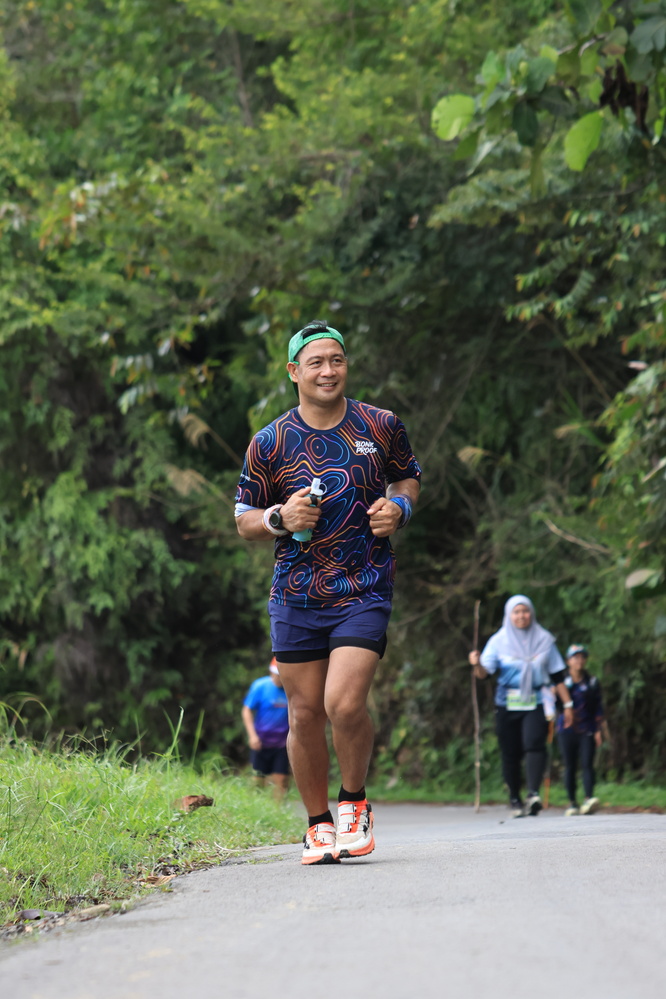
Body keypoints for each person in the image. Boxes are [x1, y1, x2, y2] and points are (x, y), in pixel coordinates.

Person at [235, 320, 421, 864]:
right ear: (294, 372)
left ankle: (353, 802)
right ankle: (318, 824)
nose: (327, 371)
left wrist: (399, 508)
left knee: (343, 703)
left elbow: (407, 477)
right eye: (315, 362)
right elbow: (244, 518)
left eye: (336, 360)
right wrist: (279, 517)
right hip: (295, 595)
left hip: (364, 586)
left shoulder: (381, 424)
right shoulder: (269, 441)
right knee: (304, 714)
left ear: (346, 366)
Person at [468, 594, 573, 817]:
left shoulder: (544, 640)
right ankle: (515, 798)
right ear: (509, 615)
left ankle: (533, 794)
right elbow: (484, 674)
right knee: (510, 751)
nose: (521, 616)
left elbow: (558, 676)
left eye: (525, 611)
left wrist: (568, 705)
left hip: (536, 701)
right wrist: (476, 664)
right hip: (506, 703)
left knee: (534, 744)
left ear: (531, 613)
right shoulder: (498, 641)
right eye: (516, 612)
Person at [556, 644, 604, 816]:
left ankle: (588, 798)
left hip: (587, 729)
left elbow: (598, 707)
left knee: (587, 764)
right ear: (568, 661)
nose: (579, 661)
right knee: (569, 765)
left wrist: (598, 729)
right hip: (566, 729)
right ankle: (572, 802)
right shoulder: (561, 682)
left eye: (582, 657)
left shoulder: (591, 682)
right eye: (575, 657)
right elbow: (553, 702)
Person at [241, 658, 290, 799]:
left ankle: (278, 809)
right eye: (276, 675)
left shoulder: (290, 689)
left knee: (281, 779)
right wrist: (252, 736)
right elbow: (246, 710)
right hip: (261, 741)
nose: (278, 678)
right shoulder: (260, 686)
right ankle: (257, 806)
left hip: (282, 742)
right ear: (271, 672)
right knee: (258, 779)